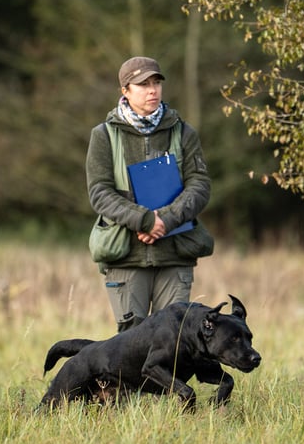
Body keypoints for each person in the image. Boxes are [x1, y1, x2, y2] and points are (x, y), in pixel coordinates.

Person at [86, 55, 212, 332]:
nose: (152, 90)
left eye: (156, 83)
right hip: (126, 257)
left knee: (175, 340)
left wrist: (165, 220)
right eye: (143, 84)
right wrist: (144, 221)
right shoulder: (104, 135)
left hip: (174, 254)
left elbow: (200, 185)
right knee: (130, 343)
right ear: (125, 91)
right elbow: (99, 192)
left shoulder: (184, 132)